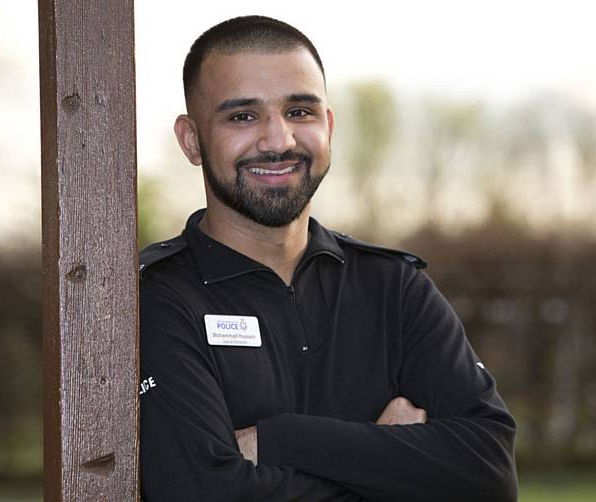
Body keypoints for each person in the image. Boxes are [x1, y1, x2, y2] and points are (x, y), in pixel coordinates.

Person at [139, 15, 518, 501]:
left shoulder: (394, 288)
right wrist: (387, 457)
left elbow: (488, 474)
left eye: (299, 112)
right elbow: (203, 492)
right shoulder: (158, 300)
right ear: (192, 140)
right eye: (242, 116)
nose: (278, 141)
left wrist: (281, 440)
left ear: (329, 125)